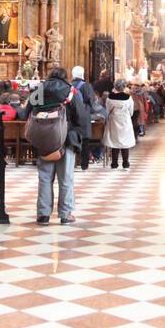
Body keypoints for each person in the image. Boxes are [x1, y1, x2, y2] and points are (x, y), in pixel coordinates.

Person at [25, 67, 89, 225]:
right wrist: (78, 135)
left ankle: (43, 214)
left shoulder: (40, 89)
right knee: (65, 178)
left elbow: (26, 111)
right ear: (64, 77)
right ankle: (65, 214)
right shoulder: (70, 91)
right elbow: (81, 116)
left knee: (45, 178)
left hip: (44, 140)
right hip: (66, 139)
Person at [103, 79, 137, 169]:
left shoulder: (110, 97)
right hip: (125, 120)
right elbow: (131, 111)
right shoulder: (128, 98)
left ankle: (114, 164)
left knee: (114, 142)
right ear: (124, 87)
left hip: (114, 120)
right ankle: (125, 164)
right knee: (125, 142)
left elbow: (107, 110)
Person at [71, 66, 98, 168]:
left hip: (72, 115)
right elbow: (91, 101)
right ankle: (84, 164)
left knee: (72, 138)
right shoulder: (86, 85)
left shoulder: (69, 85)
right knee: (85, 140)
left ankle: (73, 162)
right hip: (84, 115)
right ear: (82, 74)